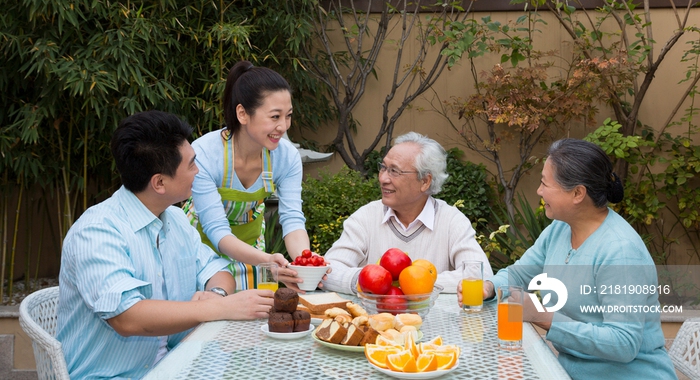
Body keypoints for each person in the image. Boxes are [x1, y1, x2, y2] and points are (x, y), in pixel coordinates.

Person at [56, 111, 274, 379]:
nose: (199, 172)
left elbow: (218, 270)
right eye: (193, 165)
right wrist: (220, 308)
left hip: (179, 363)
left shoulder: (176, 219)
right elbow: (127, 317)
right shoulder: (96, 231)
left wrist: (216, 294)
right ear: (159, 182)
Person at [459, 138, 677, 380]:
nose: (539, 191)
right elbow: (521, 273)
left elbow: (623, 343)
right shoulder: (559, 230)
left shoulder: (620, 252)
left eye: (544, 183)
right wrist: (489, 287)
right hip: (566, 372)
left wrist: (543, 316)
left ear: (577, 193)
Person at [184, 61, 311, 291]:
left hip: (253, 247)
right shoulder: (205, 153)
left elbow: (292, 219)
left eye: (288, 116)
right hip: (201, 248)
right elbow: (217, 231)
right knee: (207, 314)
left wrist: (307, 262)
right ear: (242, 113)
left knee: (259, 312)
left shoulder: (286, 157)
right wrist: (266, 260)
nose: (283, 127)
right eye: (274, 117)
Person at [323, 132, 493, 294]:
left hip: (435, 322)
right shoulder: (366, 217)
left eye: (394, 171)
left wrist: (411, 285)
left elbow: (480, 276)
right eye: (383, 168)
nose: (383, 178)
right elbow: (328, 270)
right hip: (375, 321)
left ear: (425, 181)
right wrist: (372, 282)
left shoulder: (451, 220)